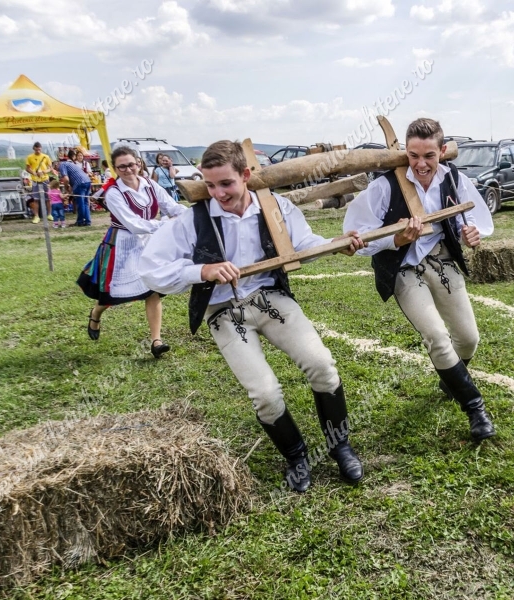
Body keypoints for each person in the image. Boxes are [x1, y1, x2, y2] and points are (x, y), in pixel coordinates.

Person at [138, 140, 366, 493]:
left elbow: (302, 246)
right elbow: (150, 269)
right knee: (265, 393)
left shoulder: (276, 207)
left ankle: (340, 447)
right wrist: (201, 270)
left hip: (269, 297)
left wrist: (336, 243)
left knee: (322, 364)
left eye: (226, 183)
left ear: (246, 175)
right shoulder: (193, 219)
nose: (218, 193)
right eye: (210, 185)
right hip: (223, 310)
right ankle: (297, 457)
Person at [343, 118, 496, 442]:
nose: (421, 164)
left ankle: (450, 379)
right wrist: (396, 239)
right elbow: (358, 238)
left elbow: (476, 219)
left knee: (468, 339)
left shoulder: (454, 178)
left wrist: (472, 233)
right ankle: (475, 409)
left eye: (429, 155)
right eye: (413, 155)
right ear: (405, 152)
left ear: (443, 151)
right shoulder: (385, 186)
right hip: (404, 266)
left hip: (441, 259)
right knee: (437, 336)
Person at [76, 146, 187, 357]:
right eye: (122, 167)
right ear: (115, 168)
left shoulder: (150, 185)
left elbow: (171, 206)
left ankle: (156, 341)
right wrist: (166, 224)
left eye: (131, 165)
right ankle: (96, 312)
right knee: (115, 292)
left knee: (152, 289)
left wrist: (187, 215)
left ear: (138, 163)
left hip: (149, 243)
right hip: (122, 244)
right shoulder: (113, 193)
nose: (128, 170)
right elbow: (134, 224)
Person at [60, 149, 93, 226]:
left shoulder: (62, 165)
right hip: (87, 181)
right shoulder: (73, 164)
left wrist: (66, 188)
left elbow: (66, 179)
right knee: (85, 202)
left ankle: (80, 222)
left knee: (80, 203)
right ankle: (87, 221)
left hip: (80, 183)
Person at [25, 142, 53, 224]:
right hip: (35, 180)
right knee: (36, 199)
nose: (38, 151)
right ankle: (36, 216)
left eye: (39, 149)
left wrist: (44, 172)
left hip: (45, 179)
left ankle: (49, 214)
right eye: (36, 149)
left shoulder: (46, 157)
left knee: (48, 198)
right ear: (34, 148)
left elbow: (50, 168)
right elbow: (27, 168)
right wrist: (33, 173)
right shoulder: (30, 157)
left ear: (41, 148)